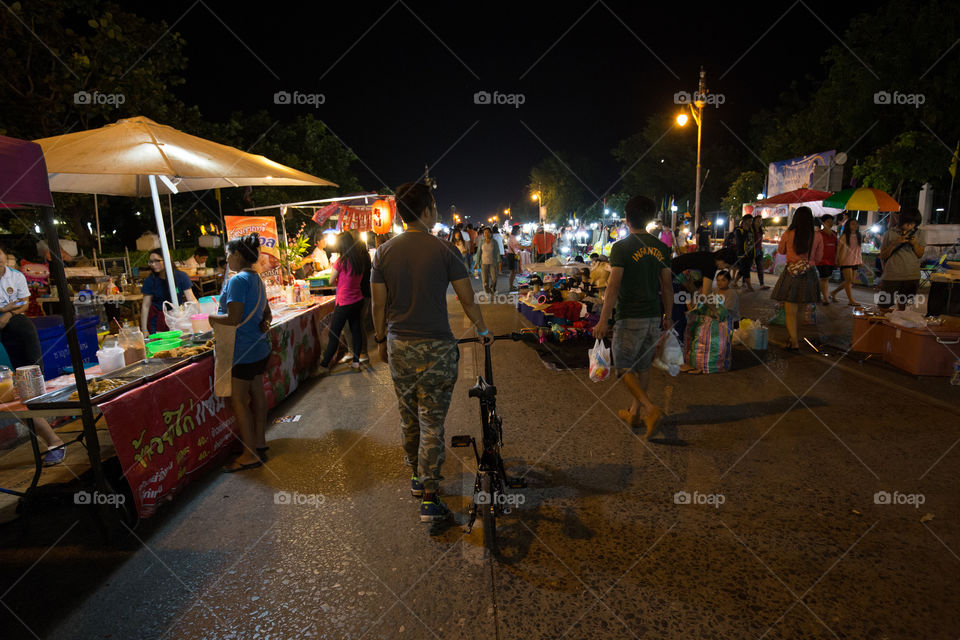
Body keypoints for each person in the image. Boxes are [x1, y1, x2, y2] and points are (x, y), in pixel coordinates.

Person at [372, 182, 492, 523]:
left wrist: (381, 340)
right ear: (426, 210)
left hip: (399, 347)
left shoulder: (383, 253)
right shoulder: (445, 250)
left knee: (409, 417)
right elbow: (468, 298)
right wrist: (482, 330)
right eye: (434, 206)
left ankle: (416, 477)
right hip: (438, 348)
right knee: (432, 423)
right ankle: (429, 495)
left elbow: (378, 306)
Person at [592, 196, 673, 439]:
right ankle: (635, 415)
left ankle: (650, 410)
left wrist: (604, 319)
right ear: (650, 219)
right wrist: (667, 315)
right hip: (652, 317)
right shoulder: (661, 248)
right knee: (643, 367)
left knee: (623, 369)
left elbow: (613, 286)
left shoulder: (621, 247)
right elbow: (667, 286)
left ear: (626, 219)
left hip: (629, 317)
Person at [208, 234, 272, 472]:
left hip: (242, 350)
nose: (226, 260)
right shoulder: (257, 278)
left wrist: (210, 318)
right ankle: (259, 442)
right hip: (259, 347)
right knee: (258, 394)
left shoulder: (237, 281)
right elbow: (268, 314)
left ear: (236, 255)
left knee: (240, 401)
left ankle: (249, 454)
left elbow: (233, 318)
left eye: (228, 255)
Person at [0, 246, 66, 465]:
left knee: (23, 393)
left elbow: (23, 304)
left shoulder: (15, 277)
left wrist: (8, 312)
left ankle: (54, 440)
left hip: (15, 334)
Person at [313, 231, 371, 376]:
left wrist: (338, 279)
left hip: (344, 302)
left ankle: (324, 365)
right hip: (358, 300)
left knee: (334, 333)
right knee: (356, 330)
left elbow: (331, 280)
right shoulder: (359, 260)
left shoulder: (341, 262)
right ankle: (356, 362)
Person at [771, 206, 823, 351]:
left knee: (790, 311)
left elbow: (781, 250)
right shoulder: (817, 236)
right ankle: (794, 338)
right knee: (800, 310)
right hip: (809, 274)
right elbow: (818, 258)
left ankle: (793, 341)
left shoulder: (788, 233)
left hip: (791, 273)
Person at [669, 247, 737, 338]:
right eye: (727, 266)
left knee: (679, 316)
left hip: (672, 280)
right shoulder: (711, 264)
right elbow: (706, 294)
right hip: (669, 281)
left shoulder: (707, 257)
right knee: (677, 318)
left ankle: (675, 343)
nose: (724, 268)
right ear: (723, 260)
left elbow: (689, 283)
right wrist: (716, 311)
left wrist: (696, 297)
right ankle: (674, 345)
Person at [140, 249, 197, 334]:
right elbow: (145, 305)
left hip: (177, 317)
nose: (153, 264)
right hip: (157, 320)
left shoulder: (181, 277)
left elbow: (191, 299)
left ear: (167, 259)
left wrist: (200, 319)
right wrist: (144, 330)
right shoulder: (150, 280)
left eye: (157, 261)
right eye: (151, 262)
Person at [879, 207, 925, 311]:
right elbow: (883, 255)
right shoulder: (890, 233)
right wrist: (895, 243)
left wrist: (914, 244)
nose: (910, 226)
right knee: (884, 306)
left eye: (913, 224)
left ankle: (899, 326)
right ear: (902, 221)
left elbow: (920, 254)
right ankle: (882, 326)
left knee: (905, 308)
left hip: (911, 276)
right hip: (892, 275)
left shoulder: (920, 233)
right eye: (908, 223)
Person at [829, 216, 862, 305]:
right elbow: (839, 248)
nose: (855, 225)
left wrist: (860, 260)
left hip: (855, 261)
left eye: (856, 224)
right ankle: (851, 300)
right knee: (849, 280)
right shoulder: (844, 236)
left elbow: (859, 249)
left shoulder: (859, 235)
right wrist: (837, 260)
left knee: (851, 281)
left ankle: (834, 292)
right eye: (853, 224)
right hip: (845, 260)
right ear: (848, 225)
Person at [816, 214, 838, 305]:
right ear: (823, 223)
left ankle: (821, 295)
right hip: (821, 260)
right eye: (828, 221)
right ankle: (825, 297)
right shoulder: (819, 234)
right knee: (823, 278)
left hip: (831, 259)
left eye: (831, 221)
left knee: (826, 278)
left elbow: (837, 247)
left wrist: (837, 259)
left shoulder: (834, 234)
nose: (830, 223)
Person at [475, 227, 501, 295]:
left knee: (494, 279)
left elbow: (497, 252)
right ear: (483, 234)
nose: (486, 234)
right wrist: (477, 262)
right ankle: (487, 292)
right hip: (483, 263)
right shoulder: (481, 242)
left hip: (493, 263)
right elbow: (478, 253)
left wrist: (499, 261)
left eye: (488, 232)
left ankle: (493, 288)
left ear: (491, 233)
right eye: (485, 233)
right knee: (485, 281)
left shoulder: (494, 242)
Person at [733, 215, 755, 290]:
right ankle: (749, 286)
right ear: (745, 221)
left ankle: (734, 282)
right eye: (749, 221)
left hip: (750, 253)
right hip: (742, 253)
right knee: (746, 269)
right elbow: (740, 242)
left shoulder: (751, 230)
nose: (751, 223)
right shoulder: (739, 230)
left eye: (751, 221)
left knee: (743, 269)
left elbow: (752, 241)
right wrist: (745, 231)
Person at [750, 215, 769, 290]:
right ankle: (743, 282)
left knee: (760, 267)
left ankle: (762, 284)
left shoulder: (761, 230)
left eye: (760, 221)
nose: (759, 222)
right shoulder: (751, 230)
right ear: (754, 222)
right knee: (747, 267)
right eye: (758, 221)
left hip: (759, 250)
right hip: (752, 251)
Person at [506, 226, 525, 292]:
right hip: (511, 255)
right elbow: (518, 246)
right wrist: (525, 247)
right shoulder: (513, 238)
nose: (520, 232)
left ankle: (511, 285)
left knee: (513, 272)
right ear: (516, 231)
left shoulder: (512, 237)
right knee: (512, 272)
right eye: (519, 230)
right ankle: (511, 287)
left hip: (511, 255)